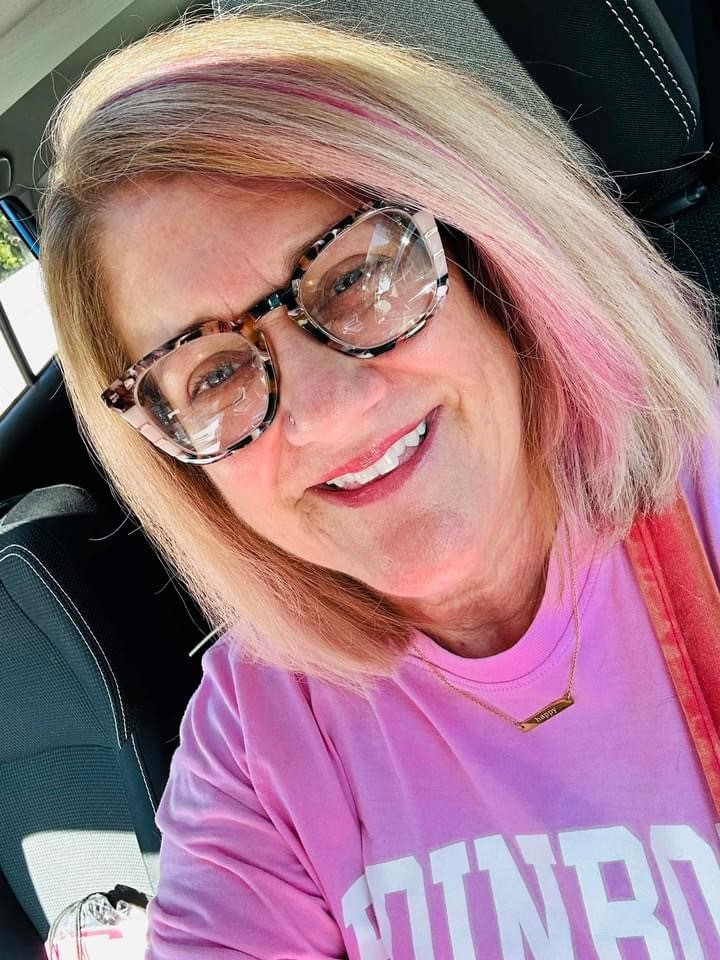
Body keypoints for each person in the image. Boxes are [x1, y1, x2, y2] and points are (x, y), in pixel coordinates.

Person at [39, 11, 720, 960]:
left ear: (481, 255)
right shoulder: (257, 729)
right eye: (214, 374)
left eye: (353, 274)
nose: (327, 410)